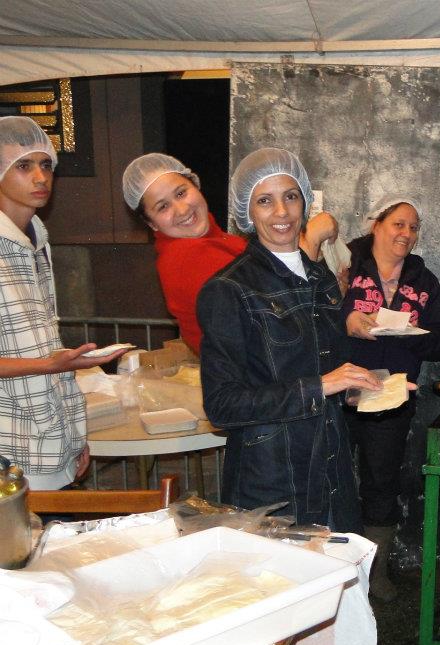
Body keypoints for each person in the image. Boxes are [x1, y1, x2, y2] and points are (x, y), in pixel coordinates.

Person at [196, 147, 420, 645]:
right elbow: (222, 404)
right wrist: (320, 386)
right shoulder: (228, 289)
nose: (281, 213)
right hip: (271, 472)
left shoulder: (314, 272)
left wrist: (368, 382)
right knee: (278, 596)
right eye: (264, 200)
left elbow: (327, 357)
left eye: (290, 197)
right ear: (247, 210)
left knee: (340, 585)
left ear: (304, 200)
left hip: (327, 456)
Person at [0, 117, 129, 489]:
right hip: (10, 451)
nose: (40, 177)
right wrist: (48, 364)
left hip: (51, 443)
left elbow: (46, 348)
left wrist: (73, 436)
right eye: (23, 166)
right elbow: (44, 361)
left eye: (45, 165)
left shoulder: (37, 241)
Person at [343, 194, 440, 601]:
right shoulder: (344, 265)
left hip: (391, 393)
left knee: (382, 482)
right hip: (341, 386)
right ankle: (331, 574)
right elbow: (315, 315)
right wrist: (348, 320)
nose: (406, 233)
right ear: (377, 226)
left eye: (413, 227)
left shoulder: (423, 282)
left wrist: (413, 336)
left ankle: (375, 574)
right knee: (331, 478)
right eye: (398, 224)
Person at [122, 152, 339, 355]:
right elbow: (281, 309)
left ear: (196, 185)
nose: (182, 210)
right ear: (151, 223)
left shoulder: (225, 242)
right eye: (163, 207)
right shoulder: (184, 258)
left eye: (181, 193)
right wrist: (310, 238)